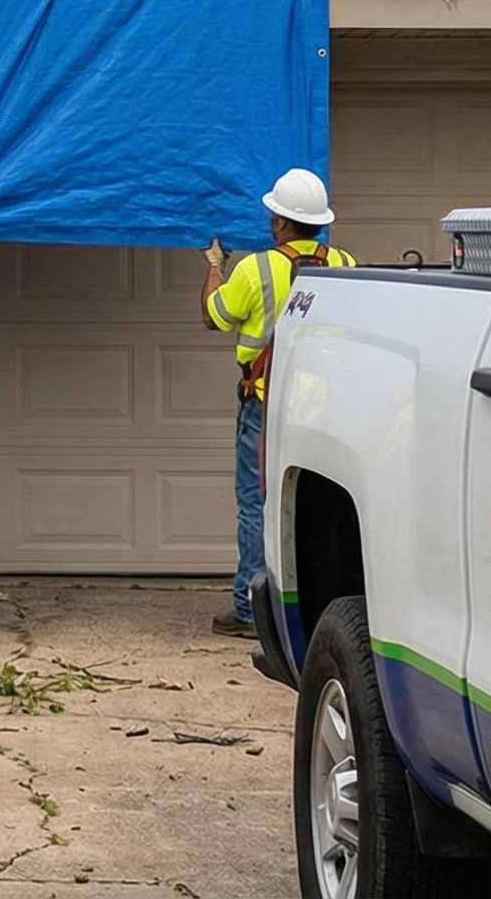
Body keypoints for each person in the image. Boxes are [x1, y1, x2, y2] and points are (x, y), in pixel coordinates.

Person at [200, 167, 355, 637]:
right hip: (326, 408)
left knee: (256, 504)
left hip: (267, 405)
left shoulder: (255, 269)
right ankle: (315, 608)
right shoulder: (347, 263)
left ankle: (251, 612)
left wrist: (213, 267)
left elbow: (213, 316)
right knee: (318, 504)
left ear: (280, 223)